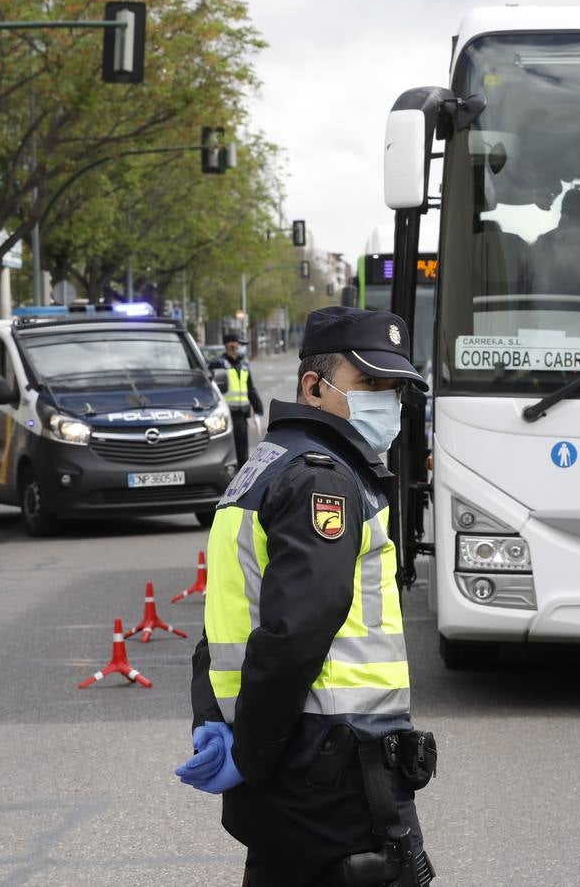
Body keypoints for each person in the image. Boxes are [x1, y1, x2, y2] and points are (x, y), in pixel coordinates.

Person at [178, 307, 436, 886]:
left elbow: (225, 619)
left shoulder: (265, 467)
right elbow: (295, 633)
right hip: (334, 772)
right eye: (368, 383)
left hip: (292, 767)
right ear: (313, 387)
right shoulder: (325, 479)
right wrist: (250, 752)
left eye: (395, 388)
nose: (386, 402)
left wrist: (217, 719)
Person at [209, 333, 263, 465]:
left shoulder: (243, 365)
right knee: (226, 453)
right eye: (239, 344)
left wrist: (258, 408)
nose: (241, 347)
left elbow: (250, 388)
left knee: (242, 453)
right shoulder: (218, 364)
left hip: (241, 416)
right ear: (230, 345)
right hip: (225, 416)